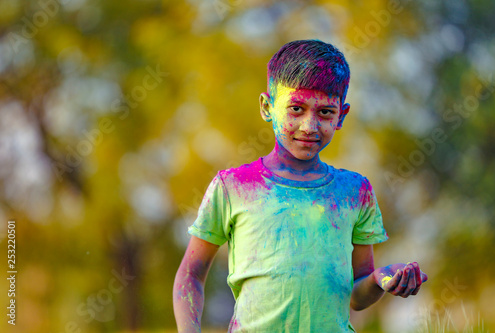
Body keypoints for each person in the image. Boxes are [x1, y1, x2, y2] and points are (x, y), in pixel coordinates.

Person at [173, 39, 428, 332]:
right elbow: (191, 274)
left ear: (341, 116)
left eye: (325, 113)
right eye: (296, 108)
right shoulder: (233, 187)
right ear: (267, 107)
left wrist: (381, 279)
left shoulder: (355, 192)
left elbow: (357, 296)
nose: (309, 126)